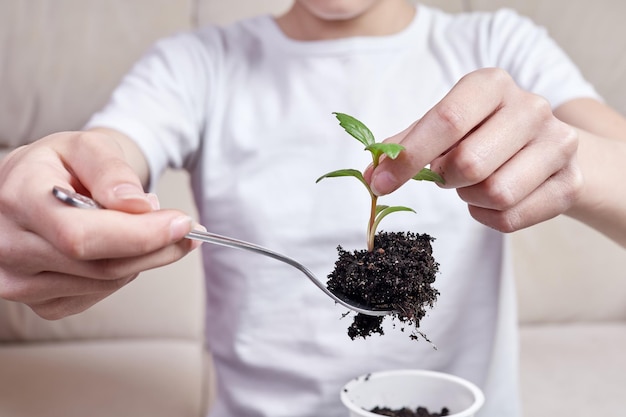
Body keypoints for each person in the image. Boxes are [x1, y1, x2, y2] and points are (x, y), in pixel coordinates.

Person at [1, 0, 625, 416]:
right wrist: (73, 182)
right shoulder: (197, 66)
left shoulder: (496, 43)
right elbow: (110, 154)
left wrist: (576, 165)